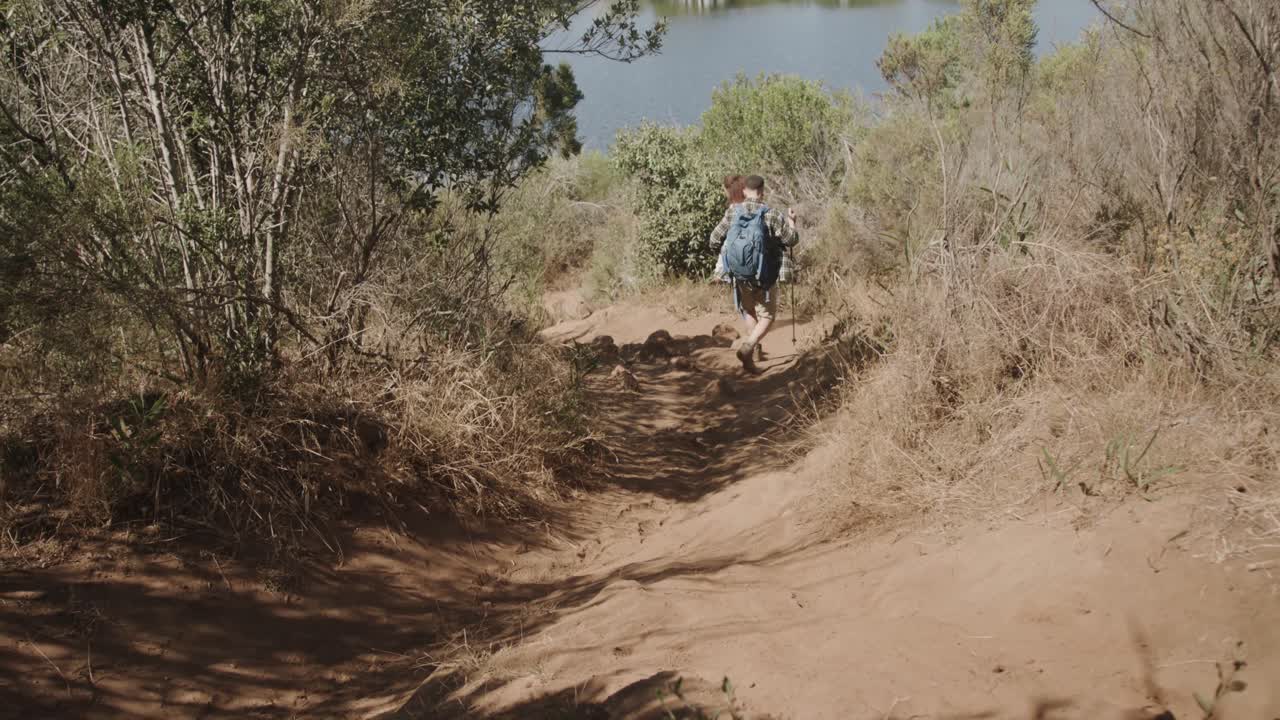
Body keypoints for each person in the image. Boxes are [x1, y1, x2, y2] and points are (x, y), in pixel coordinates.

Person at [708, 175, 799, 372]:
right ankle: (749, 346)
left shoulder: (733, 211)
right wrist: (791, 222)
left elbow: (714, 239)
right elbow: (791, 240)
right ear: (762, 191)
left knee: (748, 311)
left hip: (740, 276)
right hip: (765, 277)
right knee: (767, 316)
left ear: (744, 191)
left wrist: (729, 255)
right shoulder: (771, 213)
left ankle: (750, 357)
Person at [713, 175, 748, 283]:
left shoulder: (733, 210)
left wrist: (714, 246)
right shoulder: (760, 208)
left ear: (729, 191)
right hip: (757, 255)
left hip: (737, 256)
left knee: (726, 244)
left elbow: (715, 237)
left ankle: (720, 275)